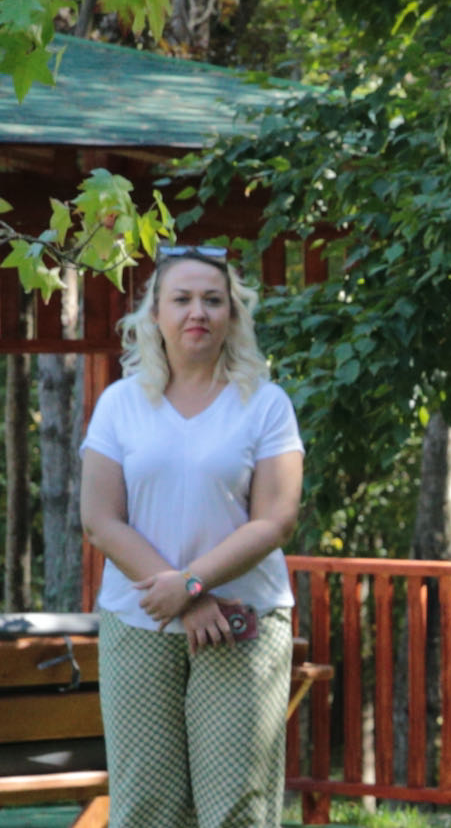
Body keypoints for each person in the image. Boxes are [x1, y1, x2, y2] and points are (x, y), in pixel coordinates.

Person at [80, 244, 304, 827]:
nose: (196, 312)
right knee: (146, 806)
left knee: (236, 806)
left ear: (233, 315)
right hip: (140, 620)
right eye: (181, 299)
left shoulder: (266, 405)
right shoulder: (120, 405)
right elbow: (100, 520)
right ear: (155, 314)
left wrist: (194, 583)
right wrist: (186, 596)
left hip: (242, 622)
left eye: (212, 299)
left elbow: (276, 519)